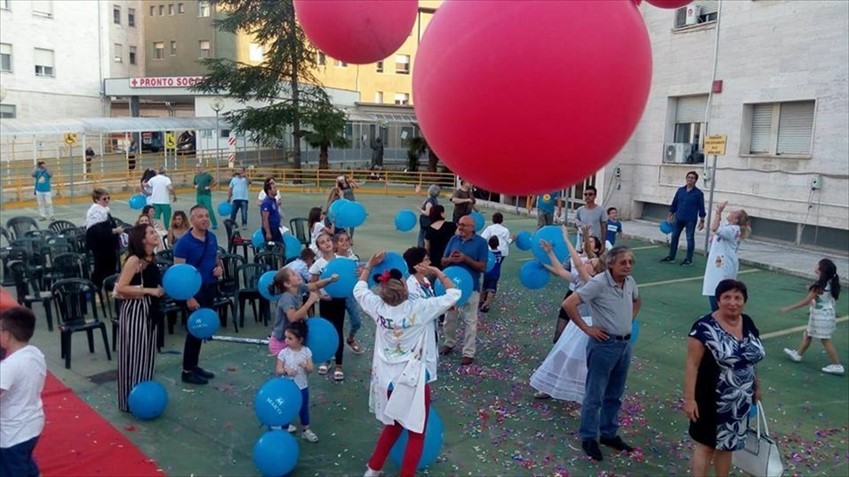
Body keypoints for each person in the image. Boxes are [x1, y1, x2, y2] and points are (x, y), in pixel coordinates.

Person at [354, 251, 461, 477]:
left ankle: (373, 469)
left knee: (394, 424)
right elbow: (454, 293)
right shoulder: (419, 309)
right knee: (417, 431)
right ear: (404, 289)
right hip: (413, 379)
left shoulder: (377, 307)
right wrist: (438, 272)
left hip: (387, 379)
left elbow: (359, 290)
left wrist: (370, 264)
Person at [563, 245, 641, 461]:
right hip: (604, 346)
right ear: (611, 264)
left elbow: (637, 300)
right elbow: (569, 304)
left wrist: (628, 321)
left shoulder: (630, 283)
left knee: (614, 394)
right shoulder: (599, 283)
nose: (627, 266)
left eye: (630, 262)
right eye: (623, 262)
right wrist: (588, 329)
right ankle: (588, 437)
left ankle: (608, 433)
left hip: (624, 345)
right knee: (594, 394)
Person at [684, 279, 765, 477]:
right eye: (727, 297)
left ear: (744, 301)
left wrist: (757, 386)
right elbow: (691, 365)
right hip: (711, 398)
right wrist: (689, 399)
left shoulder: (747, 322)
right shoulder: (704, 327)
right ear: (718, 300)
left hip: (740, 400)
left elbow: (750, 359)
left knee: (727, 445)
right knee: (706, 446)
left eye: (738, 298)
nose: (732, 302)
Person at [531, 237, 601, 401]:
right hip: (575, 325)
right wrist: (549, 252)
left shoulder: (594, 282)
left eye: (591, 263)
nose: (586, 263)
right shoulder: (579, 279)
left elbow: (577, 264)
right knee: (561, 354)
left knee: (582, 362)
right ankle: (551, 387)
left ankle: (584, 399)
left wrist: (565, 238)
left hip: (586, 326)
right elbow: (560, 271)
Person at [115, 224, 165, 412]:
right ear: (142, 239)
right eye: (151, 233)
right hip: (136, 310)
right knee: (135, 354)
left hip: (150, 310)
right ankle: (130, 400)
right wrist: (149, 291)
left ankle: (143, 395)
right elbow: (120, 288)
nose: (155, 235)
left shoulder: (151, 258)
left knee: (146, 355)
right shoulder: (134, 260)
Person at [173, 205, 223, 385]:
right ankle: (187, 370)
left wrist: (219, 269)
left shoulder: (212, 237)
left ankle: (194, 365)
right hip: (193, 292)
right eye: (200, 216)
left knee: (202, 330)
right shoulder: (184, 243)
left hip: (210, 287)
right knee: (194, 330)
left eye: (207, 216)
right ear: (192, 220)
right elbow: (178, 272)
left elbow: (215, 258)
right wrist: (188, 297)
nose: (204, 219)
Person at [0, 307, 46, 477]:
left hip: (13, 433)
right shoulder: (35, 353)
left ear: (7, 334)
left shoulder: (9, 366)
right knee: (25, 461)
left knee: (12, 467)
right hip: (33, 422)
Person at [780, 258, 843, 375]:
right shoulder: (830, 282)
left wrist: (788, 308)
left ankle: (837, 365)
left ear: (820, 269)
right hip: (825, 315)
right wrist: (811, 289)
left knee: (825, 340)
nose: (816, 265)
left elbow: (806, 301)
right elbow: (819, 293)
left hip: (821, 317)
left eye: (818, 264)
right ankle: (798, 354)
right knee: (809, 334)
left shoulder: (818, 286)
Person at [439, 215, 488, 366]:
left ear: (472, 227)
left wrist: (465, 259)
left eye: (464, 225)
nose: (460, 227)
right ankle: (449, 342)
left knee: (470, 321)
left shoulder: (481, 243)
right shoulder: (454, 240)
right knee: (449, 319)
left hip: (471, 287)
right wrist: (450, 260)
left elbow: (483, 267)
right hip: (453, 287)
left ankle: (468, 352)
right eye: (459, 224)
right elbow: (443, 260)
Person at [267, 267, 336, 357]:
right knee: (289, 369)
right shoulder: (287, 298)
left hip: (291, 339)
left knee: (296, 368)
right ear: (288, 284)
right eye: (293, 274)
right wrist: (310, 301)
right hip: (281, 342)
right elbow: (292, 318)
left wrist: (330, 279)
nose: (297, 275)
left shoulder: (299, 288)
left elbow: (315, 285)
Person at [308, 232, 348, 380]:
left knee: (338, 330)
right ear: (319, 248)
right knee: (326, 330)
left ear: (333, 242)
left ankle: (339, 364)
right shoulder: (318, 264)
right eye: (322, 242)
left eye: (328, 240)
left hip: (339, 300)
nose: (327, 243)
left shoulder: (343, 261)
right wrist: (319, 295)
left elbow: (352, 276)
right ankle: (326, 359)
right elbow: (313, 284)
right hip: (325, 302)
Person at [701, 201, 750, 311]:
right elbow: (717, 227)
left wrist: (718, 212)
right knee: (714, 288)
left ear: (736, 219)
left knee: (717, 289)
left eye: (733, 213)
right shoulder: (729, 227)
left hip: (723, 265)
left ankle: (719, 316)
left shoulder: (732, 230)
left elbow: (714, 228)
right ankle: (717, 315)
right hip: (719, 263)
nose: (730, 212)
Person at [275, 320, 319, 443]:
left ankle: (306, 430)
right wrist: (285, 370)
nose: (286, 341)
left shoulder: (306, 352)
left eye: (290, 338)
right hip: (287, 388)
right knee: (286, 408)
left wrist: (305, 365)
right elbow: (278, 370)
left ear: (300, 340)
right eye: (286, 337)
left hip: (302, 386)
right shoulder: (283, 353)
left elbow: (311, 369)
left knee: (303, 408)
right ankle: (284, 430)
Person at [662, 171, 706, 266]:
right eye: (688, 177)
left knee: (690, 239)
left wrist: (702, 220)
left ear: (695, 180)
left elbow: (701, 207)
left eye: (692, 178)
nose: (690, 179)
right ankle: (671, 256)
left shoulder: (698, 194)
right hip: (678, 218)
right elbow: (675, 202)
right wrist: (671, 213)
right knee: (674, 237)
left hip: (690, 219)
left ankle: (688, 259)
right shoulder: (680, 190)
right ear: (686, 178)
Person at [85, 188, 123, 288]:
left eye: (108, 198)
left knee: (109, 267)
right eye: (104, 199)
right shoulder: (96, 212)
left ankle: (107, 289)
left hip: (108, 244)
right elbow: (97, 231)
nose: (107, 200)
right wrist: (115, 231)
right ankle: (97, 290)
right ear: (97, 200)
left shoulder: (104, 210)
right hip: (100, 246)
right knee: (101, 268)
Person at [335, 232, 365, 355]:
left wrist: (361, 272)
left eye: (347, 240)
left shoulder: (353, 259)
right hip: (336, 295)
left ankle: (351, 338)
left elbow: (358, 276)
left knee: (357, 321)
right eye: (341, 240)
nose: (344, 243)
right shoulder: (333, 259)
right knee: (336, 324)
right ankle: (334, 348)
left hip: (350, 294)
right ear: (335, 244)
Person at [574, 186, 607, 252]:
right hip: (582, 243)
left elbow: (603, 228)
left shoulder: (601, 210)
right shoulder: (579, 210)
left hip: (595, 243)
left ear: (595, 196)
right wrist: (578, 225)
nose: (587, 196)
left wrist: (603, 244)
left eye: (590, 194)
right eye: (585, 194)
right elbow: (576, 224)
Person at [424, 205, 456, 270]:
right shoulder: (451, 226)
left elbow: (427, 247)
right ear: (441, 214)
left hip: (434, 259)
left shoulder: (429, 229)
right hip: (448, 257)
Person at [478, 237, 503, 314]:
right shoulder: (499, 253)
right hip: (495, 273)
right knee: (491, 289)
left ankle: (481, 301)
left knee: (484, 287)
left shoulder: (488, 253)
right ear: (498, 244)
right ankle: (486, 304)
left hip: (487, 272)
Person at [192, 163, 218, 230]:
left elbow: (215, 181)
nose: (198, 169)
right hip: (199, 194)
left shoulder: (207, 175)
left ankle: (214, 224)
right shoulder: (196, 176)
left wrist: (209, 187)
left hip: (206, 195)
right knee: (200, 210)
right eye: (197, 167)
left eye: (199, 167)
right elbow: (193, 184)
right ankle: (201, 223)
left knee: (209, 209)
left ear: (202, 167)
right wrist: (195, 186)